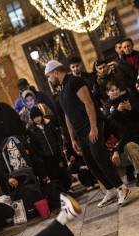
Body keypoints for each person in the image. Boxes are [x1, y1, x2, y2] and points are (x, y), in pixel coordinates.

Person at [45, 60, 130, 207]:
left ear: (55, 72)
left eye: (48, 76)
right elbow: (67, 115)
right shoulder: (62, 89)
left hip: (91, 127)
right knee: (91, 162)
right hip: (79, 132)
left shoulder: (75, 81)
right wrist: (72, 138)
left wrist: (94, 127)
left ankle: (122, 187)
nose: (49, 79)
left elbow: (88, 103)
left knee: (100, 157)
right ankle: (110, 189)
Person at [27, 107, 71, 191]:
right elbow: (34, 147)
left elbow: (58, 137)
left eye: (38, 116)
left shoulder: (49, 124)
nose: (37, 119)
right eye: (34, 118)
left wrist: (59, 148)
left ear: (41, 115)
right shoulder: (32, 131)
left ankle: (68, 189)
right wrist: (41, 155)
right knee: (53, 176)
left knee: (63, 173)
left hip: (57, 154)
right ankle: (61, 192)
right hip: (46, 158)